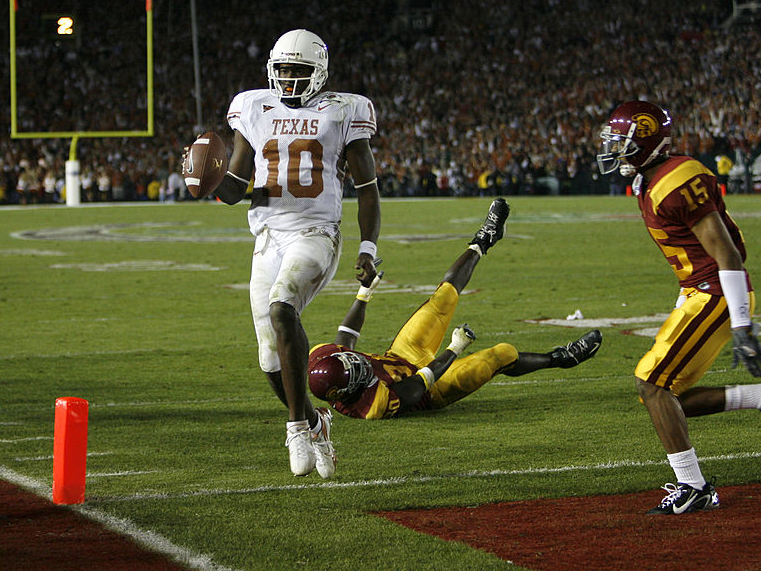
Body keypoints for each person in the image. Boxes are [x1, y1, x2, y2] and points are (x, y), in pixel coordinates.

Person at [596, 100, 761, 515]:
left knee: (652, 385)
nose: (613, 151)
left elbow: (726, 252)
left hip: (717, 292)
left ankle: (695, 487)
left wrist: (742, 323)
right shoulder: (652, 178)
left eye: (621, 143)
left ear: (645, 143)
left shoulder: (677, 179)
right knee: (668, 396)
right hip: (698, 290)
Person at [210, 29, 380, 478]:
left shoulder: (344, 109)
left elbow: (367, 189)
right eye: (282, 70)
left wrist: (367, 246)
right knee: (269, 358)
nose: (287, 79)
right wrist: (205, 180)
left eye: (298, 71)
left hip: (316, 232)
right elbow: (233, 188)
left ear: (318, 73)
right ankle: (316, 419)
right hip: (267, 237)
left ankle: (296, 427)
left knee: (283, 308)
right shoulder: (253, 106)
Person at [307, 198, 602, 419]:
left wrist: (363, 294)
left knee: (443, 297)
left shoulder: (323, 360)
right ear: (346, 392)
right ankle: (561, 358)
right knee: (500, 355)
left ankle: (484, 239)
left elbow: (345, 337)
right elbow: (420, 383)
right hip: (431, 388)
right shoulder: (371, 404)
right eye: (355, 371)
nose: (357, 363)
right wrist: (455, 348)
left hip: (399, 356)